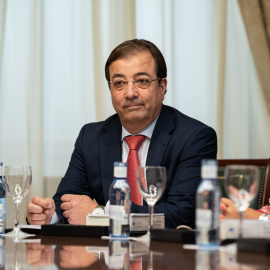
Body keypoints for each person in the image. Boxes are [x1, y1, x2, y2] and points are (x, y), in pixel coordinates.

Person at [27, 39, 217, 228]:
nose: (130, 93)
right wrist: (49, 216)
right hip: (107, 255)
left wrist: (101, 214)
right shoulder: (91, 137)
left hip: (165, 255)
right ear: (110, 89)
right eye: (119, 83)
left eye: (142, 81)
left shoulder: (194, 138)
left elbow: (183, 214)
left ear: (162, 86)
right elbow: (67, 203)